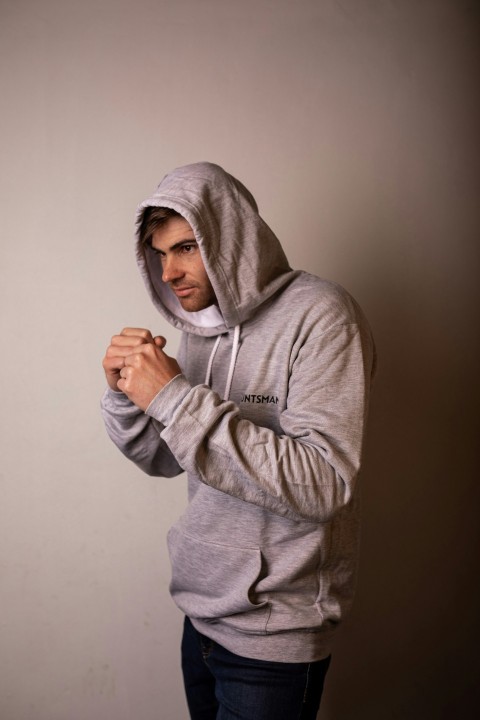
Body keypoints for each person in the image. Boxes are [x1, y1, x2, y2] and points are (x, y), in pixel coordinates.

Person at [101, 162, 376, 719]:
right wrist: (132, 398)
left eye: (185, 248)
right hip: (201, 612)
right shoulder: (200, 326)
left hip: (276, 632)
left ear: (231, 238)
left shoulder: (322, 315)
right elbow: (166, 459)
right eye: (160, 255)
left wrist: (174, 397)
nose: (170, 272)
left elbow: (324, 483)